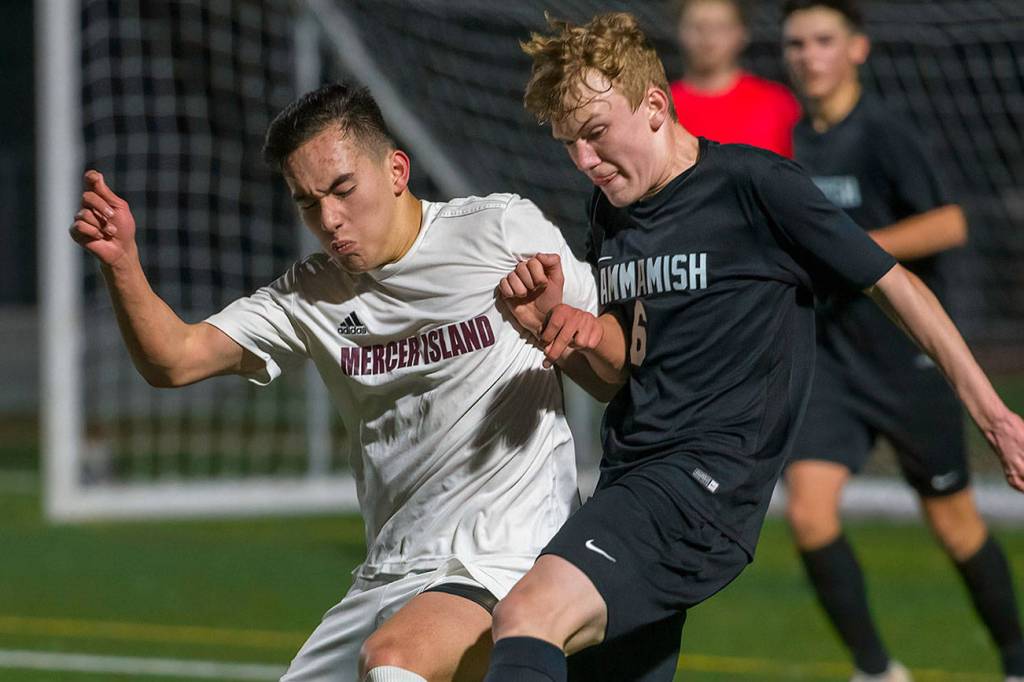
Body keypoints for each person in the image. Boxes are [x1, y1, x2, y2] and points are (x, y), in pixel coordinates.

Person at [479, 11, 1024, 682]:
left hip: (698, 485)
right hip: (630, 477)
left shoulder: (755, 187)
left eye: (594, 134)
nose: (584, 161)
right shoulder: (610, 212)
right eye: (568, 144)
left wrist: (991, 413)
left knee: (526, 616)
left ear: (654, 105)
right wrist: (563, 330)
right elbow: (619, 372)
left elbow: (896, 285)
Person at [68, 82, 601, 682]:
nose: (329, 219)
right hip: (390, 569)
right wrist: (123, 265)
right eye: (307, 202)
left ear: (396, 169)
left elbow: (609, 360)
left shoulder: (499, 232)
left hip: (509, 556)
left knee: (397, 663)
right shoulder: (311, 293)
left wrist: (570, 328)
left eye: (343, 189)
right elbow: (175, 360)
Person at [779, 2, 1024, 680]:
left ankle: (1016, 658)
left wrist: (853, 252)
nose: (808, 55)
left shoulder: (884, 134)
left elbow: (949, 224)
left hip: (906, 362)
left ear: (857, 49)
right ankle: (876, 670)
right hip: (831, 362)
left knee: (955, 526)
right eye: (796, 43)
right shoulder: (791, 141)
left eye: (824, 40)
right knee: (807, 513)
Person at [669, 0, 801, 157]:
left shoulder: (778, 103)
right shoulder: (661, 106)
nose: (708, 37)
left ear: (742, 34)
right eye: (698, 27)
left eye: (720, 27)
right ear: (679, 31)